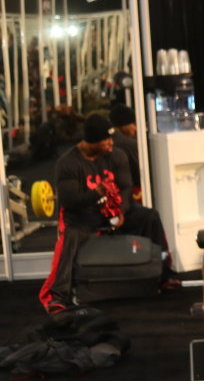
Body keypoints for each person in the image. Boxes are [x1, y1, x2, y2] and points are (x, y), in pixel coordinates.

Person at [39, 113, 181, 314]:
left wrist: (120, 211)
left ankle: (166, 275)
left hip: (115, 210)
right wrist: (95, 194)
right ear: (92, 141)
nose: (111, 142)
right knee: (70, 235)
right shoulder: (67, 163)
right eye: (106, 139)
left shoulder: (117, 155)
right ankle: (59, 295)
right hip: (84, 215)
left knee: (150, 217)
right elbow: (69, 200)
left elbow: (126, 188)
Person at [109, 104, 142, 203]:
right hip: (129, 195)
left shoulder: (106, 140)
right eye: (134, 124)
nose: (135, 129)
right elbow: (139, 174)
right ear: (124, 125)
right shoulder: (129, 144)